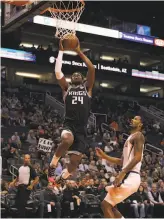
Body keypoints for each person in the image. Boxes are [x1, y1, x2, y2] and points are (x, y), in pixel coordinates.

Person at [48, 37, 95, 183]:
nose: (75, 75)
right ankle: (53, 163)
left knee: (74, 163)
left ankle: (62, 177)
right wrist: (61, 51)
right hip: (69, 125)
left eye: (78, 75)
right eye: (73, 75)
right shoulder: (66, 88)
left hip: (81, 129)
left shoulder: (87, 88)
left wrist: (79, 52)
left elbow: (91, 69)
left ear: (82, 79)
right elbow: (57, 72)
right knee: (67, 139)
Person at [96, 116, 145, 218]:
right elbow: (122, 161)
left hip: (131, 176)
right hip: (129, 175)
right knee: (111, 206)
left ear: (140, 125)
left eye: (135, 119)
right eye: (132, 118)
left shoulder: (138, 136)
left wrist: (122, 173)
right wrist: (104, 156)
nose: (132, 119)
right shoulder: (130, 138)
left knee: (106, 205)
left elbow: (138, 158)